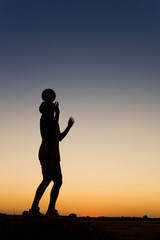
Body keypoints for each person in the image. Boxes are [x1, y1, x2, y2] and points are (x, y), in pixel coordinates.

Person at [29, 89, 75, 216]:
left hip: (52, 153)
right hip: (48, 153)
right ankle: (36, 208)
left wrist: (69, 127)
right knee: (49, 179)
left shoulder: (52, 119)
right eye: (51, 108)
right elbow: (49, 134)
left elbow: (59, 137)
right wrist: (58, 114)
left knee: (55, 181)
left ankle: (47, 209)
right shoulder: (46, 118)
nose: (52, 109)